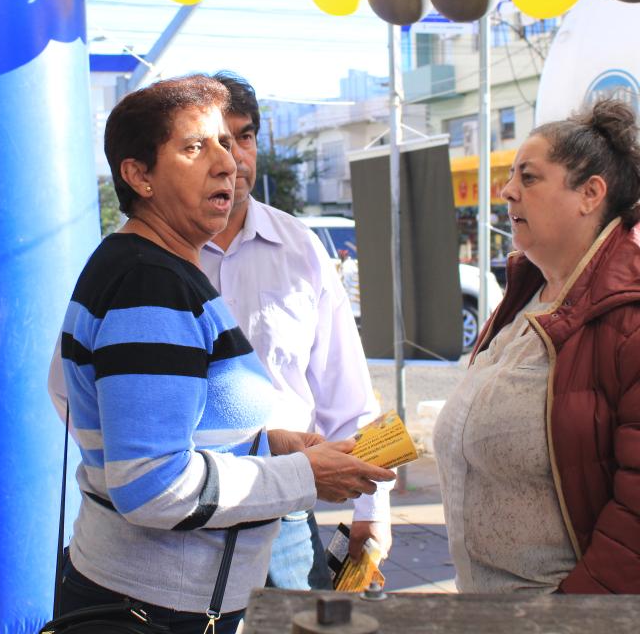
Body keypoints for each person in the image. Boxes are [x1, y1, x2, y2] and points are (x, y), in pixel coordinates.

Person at [56, 74, 395, 633]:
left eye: (229, 142)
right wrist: (301, 475)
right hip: (151, 610)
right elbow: (151, 485)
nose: (227, 163)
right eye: (196, 147)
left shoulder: (158, 267)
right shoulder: (148, 281)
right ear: (139, 175)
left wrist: (268, 444)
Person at [433, 98, 640, 594]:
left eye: (528, 178)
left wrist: (569, 613)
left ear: (590, 194)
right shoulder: (528, 292)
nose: (507, 191)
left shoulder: (629, 318)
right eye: (510, 177)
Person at [203, 72, 392, 589]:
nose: (234, 157)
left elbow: (346, 392)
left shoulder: (300, 247)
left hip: (285, 514)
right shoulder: (149, 257)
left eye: (244, 137)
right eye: (216, 141)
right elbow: (75, 395)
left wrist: (371, 509)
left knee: (297, 621)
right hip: (185, 515)